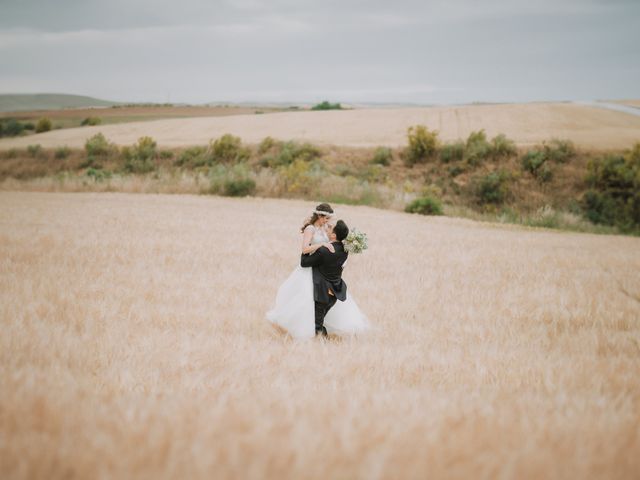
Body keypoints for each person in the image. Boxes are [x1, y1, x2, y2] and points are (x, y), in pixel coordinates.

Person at [266, 203, 369, 339]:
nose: (328, 222)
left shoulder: (324, 228)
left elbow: (335, 239)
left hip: (320, 268)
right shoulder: (310, 229)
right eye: (326, 218)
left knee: (317, 304)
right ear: (320, 216)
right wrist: (322, 244)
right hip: (309, 268)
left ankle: (319, 329)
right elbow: (304, 249)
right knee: (304, 300)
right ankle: (309, 330)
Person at [300, 220, 349, 336]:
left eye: (330, 228)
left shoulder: (324, 250)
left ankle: (322, 349)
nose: (327, 229)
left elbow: (304, 262)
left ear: (333, 235)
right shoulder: (345, 250)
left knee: (316, 327)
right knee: (318, 323)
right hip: (334, 293)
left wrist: (309, 246)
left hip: (322, 294)